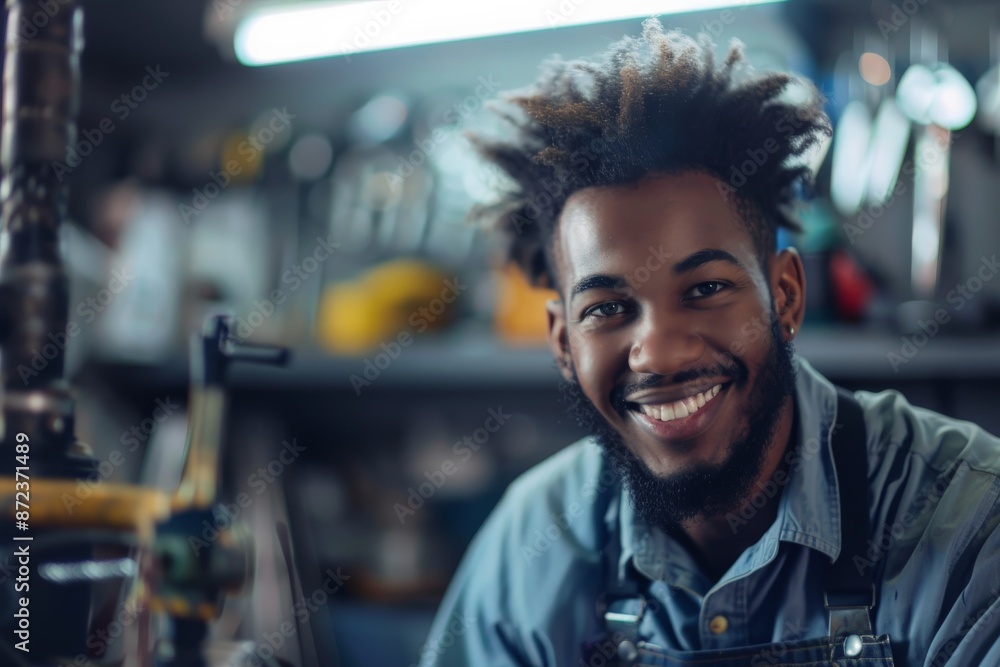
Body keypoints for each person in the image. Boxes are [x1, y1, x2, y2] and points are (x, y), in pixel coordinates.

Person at [420, 20, 1000, 667]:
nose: (660, 353)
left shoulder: (968, 519)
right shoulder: (534, 541)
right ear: (563, 343)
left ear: (785, 295)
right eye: (606, 308)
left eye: (705, 289)